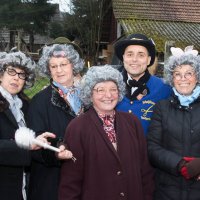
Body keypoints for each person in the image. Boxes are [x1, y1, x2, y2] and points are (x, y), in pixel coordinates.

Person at [59, 65, 154, 200]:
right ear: (90, 94)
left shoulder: (132, 122)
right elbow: (70, 181)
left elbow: (145, 170)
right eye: (100, 90)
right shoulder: (77, 127)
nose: (108, 95)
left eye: (113, 89)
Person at [0, 51, 70, 200]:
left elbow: (36, 144)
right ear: (1, 75)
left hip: (22, 187)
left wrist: (55, 148)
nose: (16, 78)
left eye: (22, 75)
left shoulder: (24, 106)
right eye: (11, 71)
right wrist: (25, 145)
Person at [27, 43, 85, 200]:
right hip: (52, 181)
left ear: (73, 65)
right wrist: (56, 152)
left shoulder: (88, 96)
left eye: (63, 64)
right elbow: (35, 141)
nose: (59, 70)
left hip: (84, 178)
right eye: (53, 66)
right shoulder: (39, 101)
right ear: (48, 70)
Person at [147, 46, 200, 199]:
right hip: (167, 189)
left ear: (197, 77)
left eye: (188, 73)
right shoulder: (161, 108)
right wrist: (180, 164)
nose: (183, 78)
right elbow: (152, 148)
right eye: (177, 74)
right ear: (172, 78)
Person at [114, 33, 172, 135]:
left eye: (141, 55)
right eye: (130, 54)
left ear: (149, 60)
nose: (134, 59)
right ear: (123, 58)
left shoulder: (164, 88)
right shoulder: (110, 84)